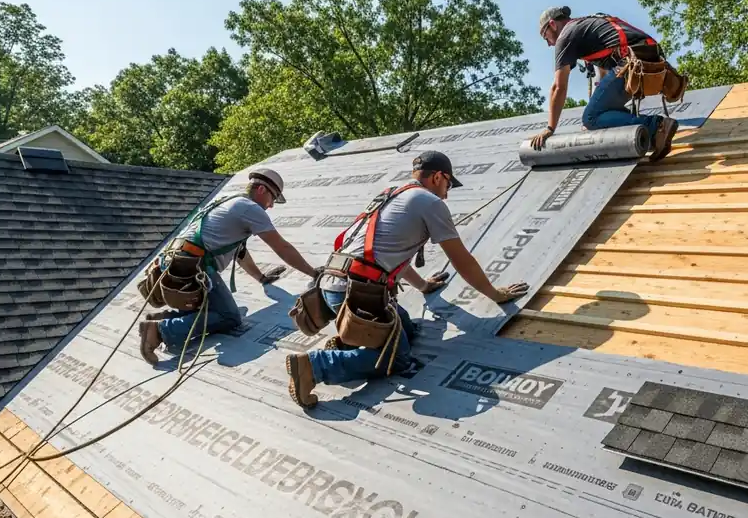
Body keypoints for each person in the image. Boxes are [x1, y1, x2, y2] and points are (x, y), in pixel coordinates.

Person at [284, 151, 530, 408]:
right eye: (448, 185)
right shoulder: (429, 202)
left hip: (335, 283)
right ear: (437, 177)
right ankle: (314, 366)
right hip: (357, 292)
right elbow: (461, 260)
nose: (447, 193)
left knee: (408, 330)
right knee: (396, 358)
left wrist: (423, 286)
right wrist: (495, 294)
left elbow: (383, 256)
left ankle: (348, 343)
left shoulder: (391, 194)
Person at [137, 168, 318, 364]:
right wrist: (313, 273)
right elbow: (281, 247)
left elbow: (240, 253)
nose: (272, 205)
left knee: (215, 308)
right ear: (261, 189)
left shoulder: (226, 200)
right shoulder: (250, 208)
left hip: (175, 259)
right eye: (273, 198)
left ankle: (166, 318)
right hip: (195, 264)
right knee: (229, 316)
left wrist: (262, 279)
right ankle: (160, 330)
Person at [530, 6, 680, 162]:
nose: (548, 43)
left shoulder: (565, 36)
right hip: (648, 57)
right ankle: (654, 136)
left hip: (631, 63)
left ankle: (657, 127)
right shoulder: (586, 26)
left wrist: (550, 128)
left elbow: (558, 87)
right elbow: (604, 71)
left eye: (545, 36)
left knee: (590, 117)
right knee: (602, 114)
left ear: (553, 25)